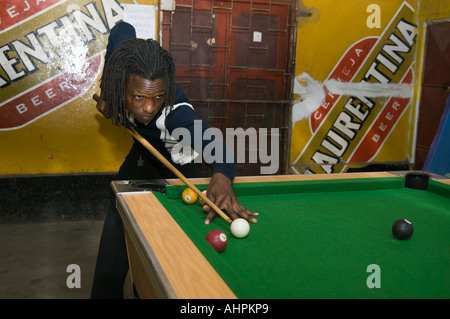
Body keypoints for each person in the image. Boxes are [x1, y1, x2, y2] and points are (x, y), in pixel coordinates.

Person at [91, 22, 258, 298]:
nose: (148, 107)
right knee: (117, 212)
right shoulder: (120, 72)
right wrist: (107, 92)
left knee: (171, 244)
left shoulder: (175, 114)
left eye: (157, 96)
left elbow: (214, 145)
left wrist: (222, 176)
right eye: (139, 97)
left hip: (181, 167)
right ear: (122, 82)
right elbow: (123, 28)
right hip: (144, 156)